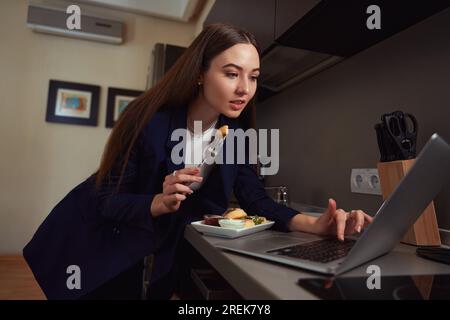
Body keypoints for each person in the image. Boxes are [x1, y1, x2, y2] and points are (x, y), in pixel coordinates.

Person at [23, 23, 373, 300]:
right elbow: (107, 199)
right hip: (95, 243)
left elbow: (257, 200)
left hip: (152, 253)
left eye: (253, 77)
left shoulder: (234, 135)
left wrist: (316, 225)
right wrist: (156, 202)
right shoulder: (148, 120)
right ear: (201, 73)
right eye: (232, 73)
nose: (245, 89)